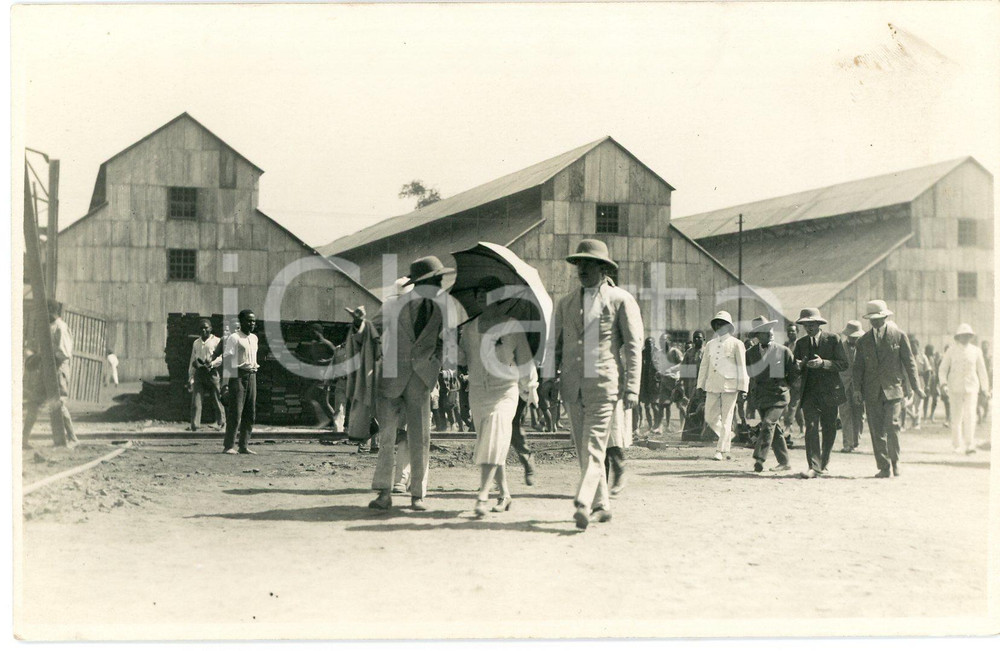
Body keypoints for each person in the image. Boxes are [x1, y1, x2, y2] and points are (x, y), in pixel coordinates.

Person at [548, 239, 643, 530]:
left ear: (603, 268)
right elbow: (554, 345)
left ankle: (584, 500)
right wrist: (549, 378)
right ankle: (602, 505)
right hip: (572, 386)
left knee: (593, 446)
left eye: (589, 264)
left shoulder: (620, 299)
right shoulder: (565, 303)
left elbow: (633, 346)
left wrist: (632, 387)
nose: (583, 269)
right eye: (579, 264)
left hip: (604, 384)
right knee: (584, 448)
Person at [369, 255, 454, 512]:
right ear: (422, 283)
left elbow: (445, 342)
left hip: (421, 379)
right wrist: (361, 327)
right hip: (391, 378)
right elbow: (372, 331)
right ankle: (384, 493)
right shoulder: (392, 306)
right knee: (386, 438)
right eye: (436, 280)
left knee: (421, 438)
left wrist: (435, 363)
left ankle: (417, 494)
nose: (440, 285)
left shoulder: (442, 310)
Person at [459, 276, 539, 517]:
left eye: (487, 293)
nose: (481, 298)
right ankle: (504, 495)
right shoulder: (468, 328)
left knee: (494, 437)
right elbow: (462, 360)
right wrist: (450, 343)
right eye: (478, 294)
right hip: (478, 393)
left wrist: (531, 388)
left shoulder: (512, 326)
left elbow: (525, 361)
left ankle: (482, 496)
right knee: (493, 442)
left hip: (504, 391)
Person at [852, 300, 923, 478]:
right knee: (876, 430)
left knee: (892, 426)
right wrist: (857, 390)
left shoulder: (898, 336)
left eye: (879, 318)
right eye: (872, 319)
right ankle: (883, 466)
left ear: (885, 317)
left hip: (893, 389)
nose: (875, 321)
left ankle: (895, 461)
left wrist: (916, 387)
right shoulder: (863, 341)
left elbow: (910, 363)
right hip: (871, 391)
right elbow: (857, 368)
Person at [792, 308, 849, 478]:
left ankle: (824, 462)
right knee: (810, 427)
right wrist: (798, 366)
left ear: (818, 324)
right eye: (805, 325)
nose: (808, 328)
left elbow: (843, 364)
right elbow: (796, 369)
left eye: (811, 324)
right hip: (809, 393)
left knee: (829, 428)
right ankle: (814, 466)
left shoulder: (833, 339)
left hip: (830, 393)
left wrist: (823, 363)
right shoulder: (800, 344)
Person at [22, 299, 78, 449]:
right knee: (34, 403)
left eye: (45, 311)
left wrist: (42, 357)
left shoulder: (61, 327)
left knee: (58, 404)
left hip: (57, 370)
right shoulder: (48, 327)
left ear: (52, 311)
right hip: (45, 369)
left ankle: (72, 438)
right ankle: (23, 440)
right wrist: (37, 357)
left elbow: (64, 354)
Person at [745, 316, 797, 473]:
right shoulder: (750, 353)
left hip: (778, 397)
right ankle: (785, 462)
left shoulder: (783, 351)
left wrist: (785, 386)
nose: (770, 333)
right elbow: (750, 375)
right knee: (775, 430)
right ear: (757, 335)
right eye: (765, 331)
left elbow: (794, 373)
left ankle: (759, 458)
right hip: (761, 397)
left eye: (771, 330)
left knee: (768, 423)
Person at [696, 311, 748, 461]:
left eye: (722, 324)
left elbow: (742, 367)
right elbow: (704, 366)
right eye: (717, 324)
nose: (719, 326)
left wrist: (743, 388)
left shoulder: (737, 344)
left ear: (728, 326)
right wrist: (700, 385)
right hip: (712, 385)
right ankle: (728, 436)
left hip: (730, 386)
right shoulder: (710, 344)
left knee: (727, 419)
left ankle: (720, 450)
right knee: (709, 417)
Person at [938, 324, 990, 455]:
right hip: (954, 388)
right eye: (963, 335)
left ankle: (969, 445)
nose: (965, 338)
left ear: (971, 337)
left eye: (968, 335)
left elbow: (982, 371)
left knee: (971, 416)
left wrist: (985, 388)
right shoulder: (951, 350)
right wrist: (943, 384)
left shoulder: (976, 351)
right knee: (956, 417)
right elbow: (942, 369)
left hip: (971, 388)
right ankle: (956, 445)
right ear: (958, 337)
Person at [222, 309, 259, 454]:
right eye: (249, 321)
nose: (252, 323)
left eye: (253, 321)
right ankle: (229, 446)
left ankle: (243, 445)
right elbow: (227, 360)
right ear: (241, 322)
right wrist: (227, 382)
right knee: (236, 413)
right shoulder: (234, 338)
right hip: (238, 376)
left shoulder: (254, 338)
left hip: (252, 376)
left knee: (250, 413)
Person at [344, 306, 380, 452]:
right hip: (373, 373)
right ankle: (367, 443)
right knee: (368, 407)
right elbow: (361, 337)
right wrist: (359, 322)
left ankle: (377, 444)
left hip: (394, 373)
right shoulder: (373, 326)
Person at [188, 318, 225, 432]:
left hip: (212, 372)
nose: (203, 330)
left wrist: (212, 364)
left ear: (211, 328)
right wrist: (191, 376)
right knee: (196, 400)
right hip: (200, 373)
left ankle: (221, 423)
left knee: (216, 398)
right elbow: (193, 359)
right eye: (201, 328)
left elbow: (221, 358)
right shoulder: (196, 342)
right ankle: (195, 425)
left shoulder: (217, 341)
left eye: (206, 328)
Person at [301, 323, 337, 428]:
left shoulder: (327, 344)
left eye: (313, 332)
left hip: (325, 376)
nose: (311, 334)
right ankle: (335, 422)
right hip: (317, 375)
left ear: (319, 332)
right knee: (323, 402)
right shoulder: (313, 344)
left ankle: (326, 420)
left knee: (309, 396)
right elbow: (314, 361)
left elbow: (338, 356)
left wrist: (326, 361)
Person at [838, 320, 865, 453]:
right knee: (845, 413)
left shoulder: (864, 348)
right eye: (852, 336)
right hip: (843, 385)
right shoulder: (840, 348)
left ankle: (856, 441)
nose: (854, 339)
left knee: (859, 414)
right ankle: (848, 443)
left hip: (859, 386)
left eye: (856, 337)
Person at [679, 330, 706, 440]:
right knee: (691, 409)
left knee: (702, 409)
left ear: (704, 339)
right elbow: (684, 371)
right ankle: (690, 435)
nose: (696, 339)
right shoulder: (689, 353)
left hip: (704, 386)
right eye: (695, 337)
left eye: (699, 337)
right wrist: (681, 384)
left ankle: (703, 434)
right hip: (691, 386)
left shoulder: (707, 352)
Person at [653, 333, 683, 433]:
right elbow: (660, 365)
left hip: (674, 381)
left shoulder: (675, 351)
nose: (662, 342)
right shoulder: (659, 353)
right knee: (661, 404)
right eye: (660, 341)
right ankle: (659, 427)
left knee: (680, 405)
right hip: (664, 381)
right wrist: (659, 372)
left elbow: (682, 364)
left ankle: (683, 426)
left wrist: (671, 369)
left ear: (669, 341)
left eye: (664, 340)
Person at [782, 322, 805, 438]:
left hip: (798, 378)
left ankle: (788, 426)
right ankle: (802, 427)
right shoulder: (785, 345)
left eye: (793, 331)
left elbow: (805, 359)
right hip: (788, 378)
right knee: (796, 405)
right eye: (789, 331)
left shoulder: (801, 345)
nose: (791, 333)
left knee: (792, 404)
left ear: (797, 332)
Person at [638, 337, 658, 433]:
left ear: (654, 344)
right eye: (647, 344)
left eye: (651, 344)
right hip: (645, 383)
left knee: (655, 405)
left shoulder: (658, 354)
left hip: (654, 384)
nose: (649, 346)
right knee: (647, 406)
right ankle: (650, 425)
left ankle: (657, 424)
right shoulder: (643, 354)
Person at [330, 342, 348, 432]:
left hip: (355, 381)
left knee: (358, 407)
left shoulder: (360, 347)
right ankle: (338, 432)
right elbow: (333, 365)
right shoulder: (338, 349)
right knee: (339, 407)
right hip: (342, 381)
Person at [923, 344, 941, 423]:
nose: (932, 352)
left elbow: (937, 369)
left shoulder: (934, 358)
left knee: (935, 398)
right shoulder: (924, 358)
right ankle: (925, 416)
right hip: (927, 380)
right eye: (931, 350)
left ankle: (932, 415)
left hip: (934, 380)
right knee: (926, 398)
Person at [977, 340, 992, 424]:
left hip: (987, 381)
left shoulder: (990, 358)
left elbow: (991, 371)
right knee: (977, 399)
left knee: (986, 399)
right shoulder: (979, 356)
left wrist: (991, 384)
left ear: (988, 347)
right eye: (983, 346)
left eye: (986, 346)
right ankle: (979, 416)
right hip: (978, 380)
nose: (984, 348)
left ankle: (985, 414)